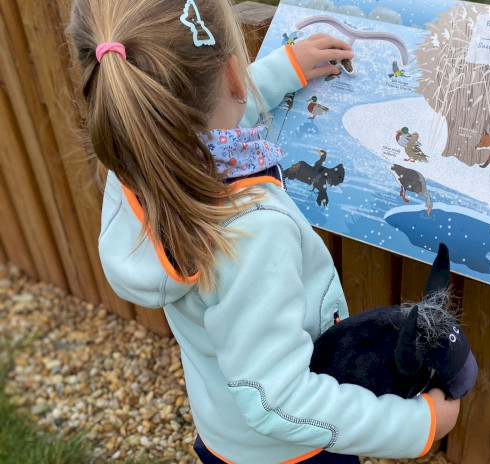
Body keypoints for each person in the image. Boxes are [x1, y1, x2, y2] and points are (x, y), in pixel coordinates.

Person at [66, 1, 460, 463]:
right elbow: (280, 399)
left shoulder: (135, 160)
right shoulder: (254, 234)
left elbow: (199, 117)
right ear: (234, 76)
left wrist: (282, 70)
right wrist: (416, 426)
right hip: (293, 450)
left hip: (224, 431)